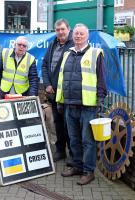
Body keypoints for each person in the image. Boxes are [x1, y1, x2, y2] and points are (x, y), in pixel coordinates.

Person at [56, 23, 107, 185]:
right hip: (70, 104)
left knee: (88, 141)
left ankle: (88, 171)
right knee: (74, 139)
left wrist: (99, 99)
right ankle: (76, 166)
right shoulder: (67, 54)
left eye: (81, 34)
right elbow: (62, 79)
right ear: (72, 35)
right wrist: (60, 100)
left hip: (88, 106)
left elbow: (101, 78)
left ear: (87, 36)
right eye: (76, 34)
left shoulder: (95, 53)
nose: (78, 36)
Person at [42, 19, 74, 162]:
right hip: (53, 93)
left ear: (68, 29)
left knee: (70, 125)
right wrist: (47, 84)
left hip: (67, 93)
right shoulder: (53, 44)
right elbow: (44, 65)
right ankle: (60, 151)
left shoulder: (73, 44)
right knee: (58, 123)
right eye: (57, 30)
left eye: (62, 29)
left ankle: (73, 154)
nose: (60, 32)